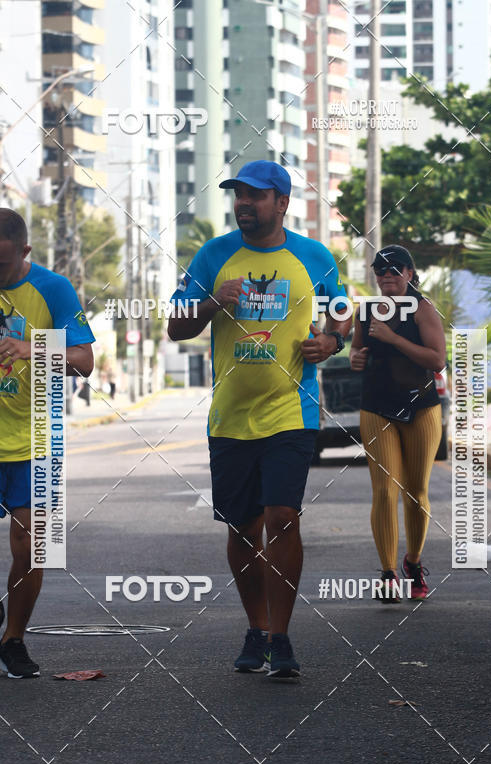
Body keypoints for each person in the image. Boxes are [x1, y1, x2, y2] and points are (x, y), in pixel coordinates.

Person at [168, 160, 351, 677]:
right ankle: (256, 627)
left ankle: (282, 637)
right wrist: (209, 304)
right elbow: (174, 327)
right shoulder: (214, 255)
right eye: (238, 195)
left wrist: (331, 341)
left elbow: (342, 311)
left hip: (292, 410)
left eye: (255, 195)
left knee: (282, 518)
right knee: (243, 529)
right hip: (230, 417)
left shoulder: (313, 256)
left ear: (282, 202)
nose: (243, 203)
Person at [0, 209, 95, 678]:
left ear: (25, 253)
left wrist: (31, 348)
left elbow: (84, 360)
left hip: (38, 437)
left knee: (34, 546)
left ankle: (14, 638)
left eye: (0, 265)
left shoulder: (54, 289)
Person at [350, 245, 446, 602]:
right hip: (376, 406)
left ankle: (414, 562)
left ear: (409, 273)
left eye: (395, 270)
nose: (387, 276)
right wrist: (356, 358)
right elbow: (357, 350)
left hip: (420, 407)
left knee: (416, 492)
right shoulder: (367, 310)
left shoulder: (423, 309)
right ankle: (388, 572)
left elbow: (437, 360)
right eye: (380, 271)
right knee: (384, 491)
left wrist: (393, 339)